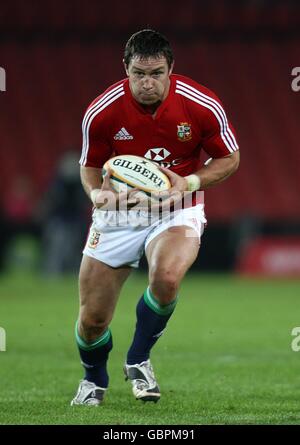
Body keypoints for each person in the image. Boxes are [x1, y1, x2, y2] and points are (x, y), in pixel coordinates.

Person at [71, 29, 240, 406]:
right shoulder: (102, 111)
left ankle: (138, 359)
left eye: (156, 74)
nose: (147, 83)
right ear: (125, 70)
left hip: (177, 207)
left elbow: (230, 158)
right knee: (92, 320)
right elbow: (90, 166)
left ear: (171, 70)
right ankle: (94, 380)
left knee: (166, 277)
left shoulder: (201, 104)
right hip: (119, 213)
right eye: (139, 74)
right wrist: (99, 193)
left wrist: (192, 180)